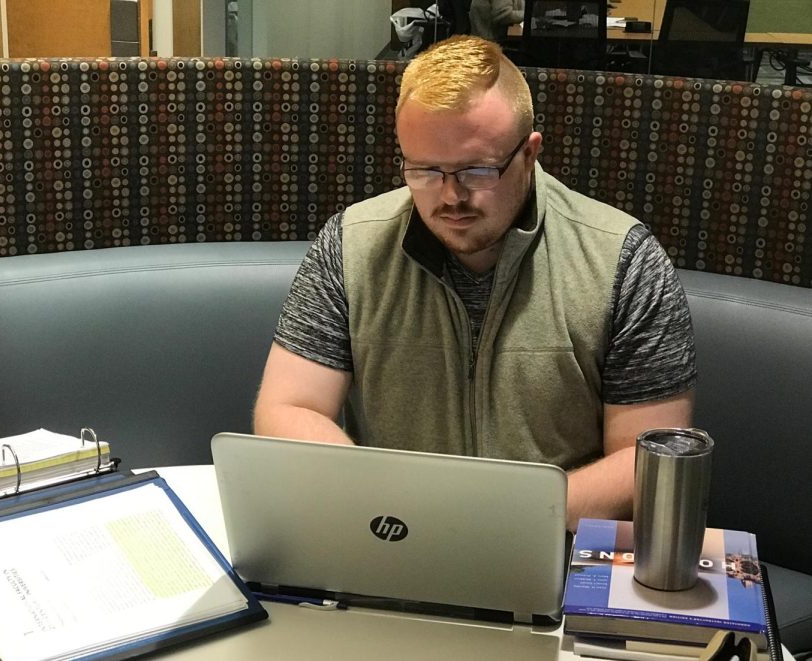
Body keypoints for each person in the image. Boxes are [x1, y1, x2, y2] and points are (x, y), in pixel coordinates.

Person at [254, 36, 696, 531]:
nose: (450, 197)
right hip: (395, 540)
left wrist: (497, 520)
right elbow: (288, 408)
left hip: (555, 547)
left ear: (529, 154)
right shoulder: (351, 246)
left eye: (477, 171)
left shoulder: (624, 260)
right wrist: (387, 501)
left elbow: (649, 459)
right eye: (424, 171)